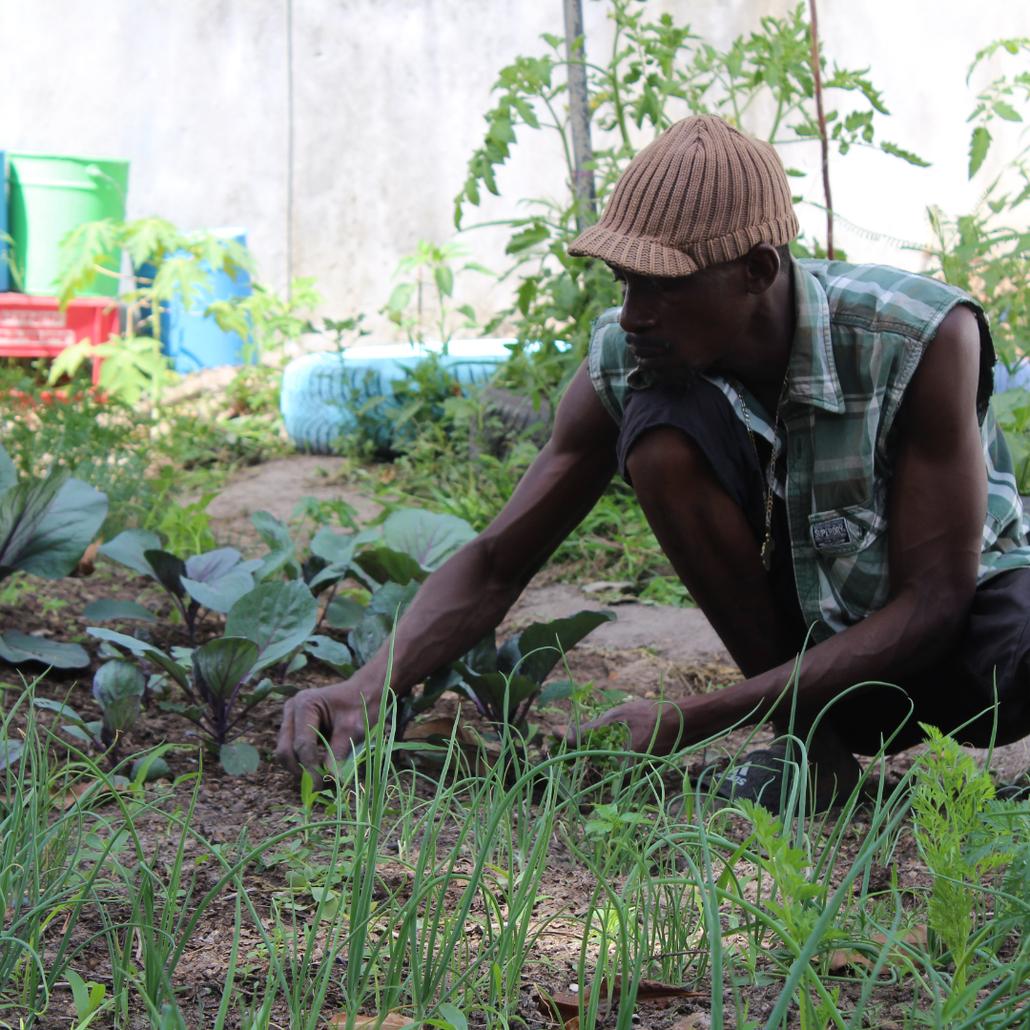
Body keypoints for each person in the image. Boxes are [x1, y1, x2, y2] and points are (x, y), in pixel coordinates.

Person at [277, 115, 1030, 805]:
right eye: (626, 282)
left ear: (757, 270)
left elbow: (933, 605)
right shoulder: (629, 354)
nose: (634, 314)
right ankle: (815, 753)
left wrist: (692, 717)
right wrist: (369, 685)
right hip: (807, 664)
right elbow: (499, 561)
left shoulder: (916, 337)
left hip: (951, 640)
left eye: (665, 286)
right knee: (661, 435)